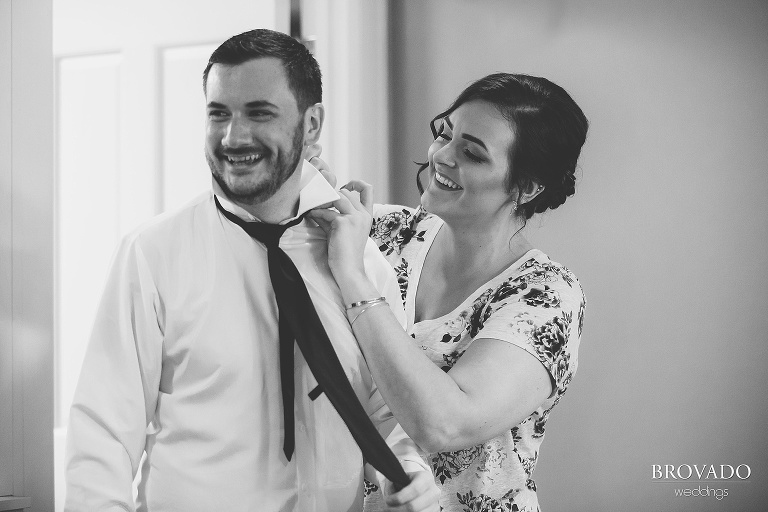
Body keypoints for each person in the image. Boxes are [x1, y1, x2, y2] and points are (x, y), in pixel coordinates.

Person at [65, 28, 439, 512]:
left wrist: (408, 472)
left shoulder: (361, 264)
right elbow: (103, 435)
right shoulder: (153, 253)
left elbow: (386, 412)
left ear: (311, 125)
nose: (232, 136)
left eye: (258, 112)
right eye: (218, 113)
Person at [307, 73, 588, 511]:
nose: (442, 156)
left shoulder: (544, 298)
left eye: (472, 153)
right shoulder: (381, 233)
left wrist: (354, 278)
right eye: (444, 133)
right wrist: (301, 185)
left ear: (527, 186)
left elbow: (443, 425)